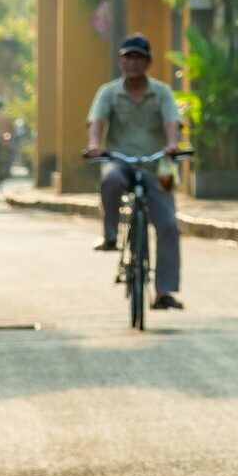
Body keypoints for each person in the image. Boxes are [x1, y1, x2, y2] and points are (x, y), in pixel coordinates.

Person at [85, 33, 184, 310]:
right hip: (121, 160)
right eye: (128, 57)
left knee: (169, 225)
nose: (133, 63)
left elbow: (172, 121)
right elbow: (97, 120)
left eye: (139, 58)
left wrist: (172, 144)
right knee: (110, 179)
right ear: (120, 61)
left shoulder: (162, 92)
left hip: (158, 163)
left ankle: (163, 291)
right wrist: (94, 144)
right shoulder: (108, 92)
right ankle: (110, 234)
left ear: (148, 62)